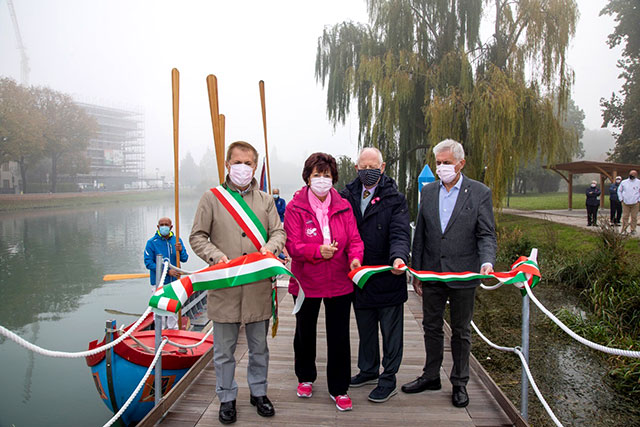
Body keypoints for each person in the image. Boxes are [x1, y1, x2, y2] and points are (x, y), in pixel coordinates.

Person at [189, 141, 286, 424]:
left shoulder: (266, 200)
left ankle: (259, 393)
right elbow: (197, 236)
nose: (242, 167)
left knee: (259, 348)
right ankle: (227, 398)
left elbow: (279, 232)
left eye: (248, 162)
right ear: (227, 165)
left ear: (255, 166)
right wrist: (215, 255)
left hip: (257, 287)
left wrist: (271, 249)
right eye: (237, 162)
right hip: (224, 286)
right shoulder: (212, 198)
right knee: (223, 351)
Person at [402, 139, 497, 409]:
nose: (442, 167)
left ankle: (460, 382)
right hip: (432, 271)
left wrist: (487, 261)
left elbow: (486, 234)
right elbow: (420, 234)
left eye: (446, 162)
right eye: (438, 163)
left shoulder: (479, 193)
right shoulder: (429, 192)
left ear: (461, 163)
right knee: (431, 326)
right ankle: (431, 375)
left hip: (465, 273)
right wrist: (416, 272)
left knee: (461, 330)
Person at [284, 152, 364, 412]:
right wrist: (317, 251)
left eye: (326, 175)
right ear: (308, 177)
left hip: (340, 281)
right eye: (316, 175)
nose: (321, 180)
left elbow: (354, 239)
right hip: (306, 282)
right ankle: (305, 377)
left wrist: (354, 259)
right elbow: (293, 245)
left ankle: (339, 389)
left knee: (339, 336)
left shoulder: (343, 205)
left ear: (333, 178)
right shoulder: (295, 207)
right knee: (304, 332)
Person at [339, 147, 410, 403]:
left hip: (389, 274)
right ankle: (368, 369)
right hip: (359, 276)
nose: (367, 171)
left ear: (382, 167)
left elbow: (401, 233)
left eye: (373, 167)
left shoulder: (395, 199)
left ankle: (388, 378)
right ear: (356, 168)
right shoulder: (345, 196)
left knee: (391, 333)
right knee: (366, 328)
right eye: (363, 167)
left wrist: (399, 257)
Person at [144, 217, 188, 329]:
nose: (164, 227)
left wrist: (181, 250)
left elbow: (184, 258)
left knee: (173, 309)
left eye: (166, 225)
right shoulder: (151, 243)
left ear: (171, 227)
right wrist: (167, 271)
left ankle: (173, 331)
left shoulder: (176, 240)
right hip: (158, 282)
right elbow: (149, 263)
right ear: (158, 227)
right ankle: (159, 332)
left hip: (174, 283)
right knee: (158, 310)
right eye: (162, 225)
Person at [618, 170, 640, 235]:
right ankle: (624, 229)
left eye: (633, 174)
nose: (631, 175)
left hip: (635, 203)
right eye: (631, 174)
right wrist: (621, 199)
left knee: (634, 217)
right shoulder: (624, 182)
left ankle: (633, 229)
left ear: (636, 175)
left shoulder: (638, 182)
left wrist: (639, 200)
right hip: (625, 202)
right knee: (625, 216)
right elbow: (619, 191)